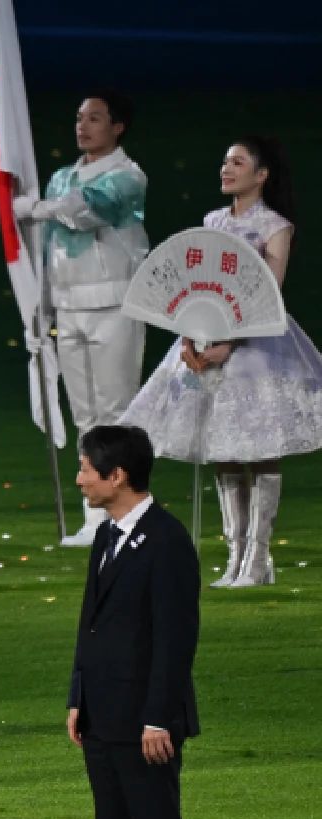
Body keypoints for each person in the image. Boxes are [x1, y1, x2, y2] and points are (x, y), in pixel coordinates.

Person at [121, 136, 322, 587]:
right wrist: (190, 336)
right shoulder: (213, 222)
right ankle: (235, 553)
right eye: (225, 162)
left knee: (260, 447)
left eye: (237, 162)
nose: (226, 169)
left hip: (257, 345)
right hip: (206, 340)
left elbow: (267, 293)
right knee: (223, 447)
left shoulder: (275, 226)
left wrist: (230, 342)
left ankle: (258, 555)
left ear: (261, 175)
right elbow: (197, 285)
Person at [64, 425, 199, 819]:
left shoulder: (166, 541)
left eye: (85, 468)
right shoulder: (106, 537)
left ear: (116, 475)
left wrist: (158, 717)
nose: (79, 479)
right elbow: (91, 622)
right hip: (103, 716)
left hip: (146, 723)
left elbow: (175, 638)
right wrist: (78, 696)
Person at [14, 90, 149, 547]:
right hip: (69, 307)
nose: (83, 126)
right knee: (85, 415)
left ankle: (126, 514)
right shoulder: (60, 177)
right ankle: (94, 517)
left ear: (118, 127)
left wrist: (36, 209)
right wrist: (41, 307)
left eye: (94, 118)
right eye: (79, 118)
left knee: (116, 412)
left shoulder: (128, 176)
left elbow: (89, 210)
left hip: (114, 304)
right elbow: (49, 247)